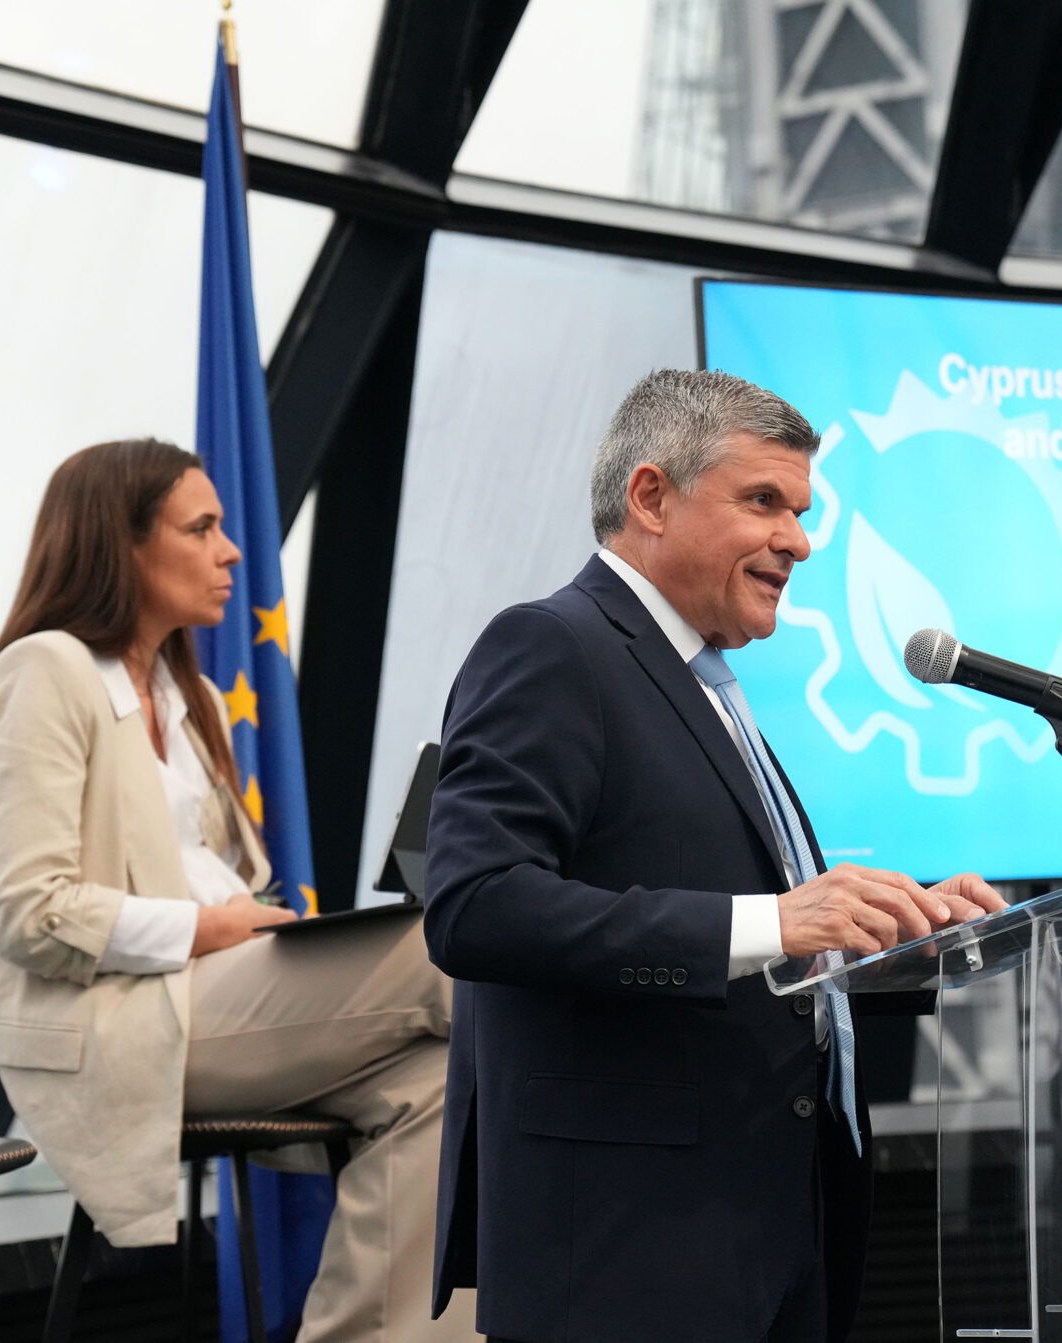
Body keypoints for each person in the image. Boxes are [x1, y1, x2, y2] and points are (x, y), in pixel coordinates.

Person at [423, 371, 1006, 1343]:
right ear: (651, 497)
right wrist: (775, 919)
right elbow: (475, 905)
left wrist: (886, 936)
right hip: (626, 1254)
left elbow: (751, 950)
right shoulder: (552, 646)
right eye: (763, 500)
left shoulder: (709, 683)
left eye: (801, 511)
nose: (798, 539)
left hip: (767, 1232)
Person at [0, 438, 475, 1343]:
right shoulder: (44, 672)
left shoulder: (182, 691)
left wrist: (258, 923)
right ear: (121, 546)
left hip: (210, 993)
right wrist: (210, 927)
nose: (231, 550)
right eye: (201, 528)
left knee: (446, 1084)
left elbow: (221, 877)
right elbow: (26, 912)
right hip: (116, 1017)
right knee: (453, 953)